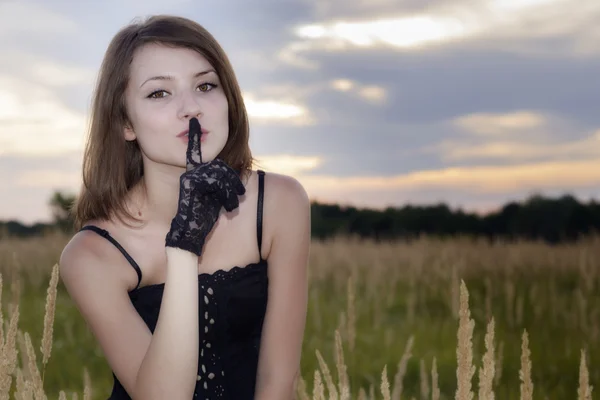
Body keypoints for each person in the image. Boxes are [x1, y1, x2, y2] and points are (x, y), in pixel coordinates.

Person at [59, 14, 311, 400]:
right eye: (159, 93)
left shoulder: (280, 203)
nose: (191, 107)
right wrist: (184, 244)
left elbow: (279, 381)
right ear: (126, 122)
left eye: (206, 85)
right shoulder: (92, 254)